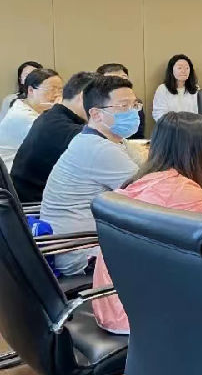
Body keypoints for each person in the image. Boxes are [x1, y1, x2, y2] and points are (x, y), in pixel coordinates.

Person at [92, 112, 202, 334]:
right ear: (199, 153)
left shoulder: (147, 181)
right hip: (138, 315)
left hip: (111, 301)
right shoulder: (181, 190)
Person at [40, 75, 141, 275]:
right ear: (96, 114)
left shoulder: (109, 139)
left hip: (89, 240)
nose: (132, 113)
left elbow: (147, 170)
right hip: (81, 252)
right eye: (123, 106)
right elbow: (148, 192)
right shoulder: (98, 148)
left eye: (135, 105)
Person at [11, 71, 96, 206]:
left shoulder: (51, 116)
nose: (57, 94)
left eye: (60, 90)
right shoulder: (67, 129)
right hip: (37, 208)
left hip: (26, 200)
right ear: (82, 97)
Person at [0, 68, 62, 170]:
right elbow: (58, 141)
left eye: (60, 90)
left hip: (27, 167)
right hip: (13, 173)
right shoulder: (23, 115)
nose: (57, 94)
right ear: (31, 90)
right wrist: (60, 111)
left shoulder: (32, 106)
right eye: (51, 89)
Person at [97, 63, 146, 139]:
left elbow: (138, 135)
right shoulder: (93, 105)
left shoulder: (136, 104)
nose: (121, 83)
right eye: (113, 80)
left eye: (124, 79)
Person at [151, 54, 199, 120]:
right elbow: (159, 114)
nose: (184, 71)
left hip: (192, 125)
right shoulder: (163, 89)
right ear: (171, 70)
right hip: (170, 125)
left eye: (187, 68)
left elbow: (199, 113)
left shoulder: (195, 89)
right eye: (180, 68)